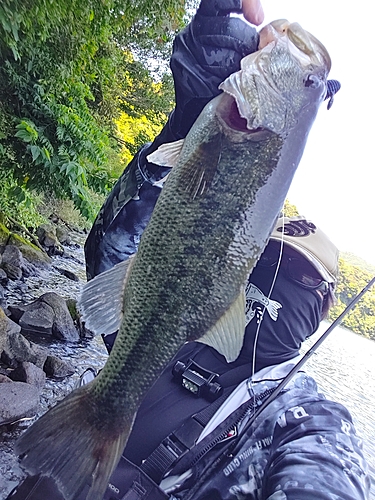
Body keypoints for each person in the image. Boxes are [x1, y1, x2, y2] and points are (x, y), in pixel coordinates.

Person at [8, 0, 370, 499]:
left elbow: (328, 476)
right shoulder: (176, 341)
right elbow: (113, 246)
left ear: (322, 309)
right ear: (249, 268)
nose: (281, 296)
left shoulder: (303, 419)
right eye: (277, 265)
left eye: (307, 281)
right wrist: (189, 124)